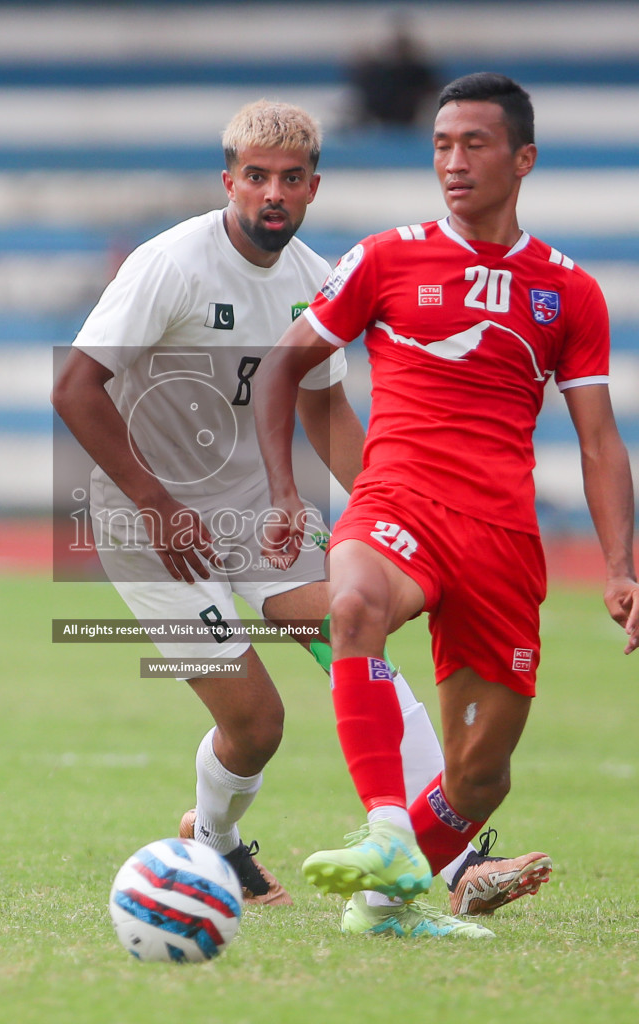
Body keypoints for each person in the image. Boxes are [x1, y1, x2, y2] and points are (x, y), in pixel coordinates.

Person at [52, 101, 488, 939]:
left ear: (314, 186)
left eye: (291, 179)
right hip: (152, 526)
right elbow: (73, 389)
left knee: (356, 623)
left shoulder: (315, 283)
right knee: (258, 725)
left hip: (260, 515)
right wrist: (154, 504)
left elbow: (326, 413)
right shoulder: (171, 265)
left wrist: (385, 506)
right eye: (256, 177)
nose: (272, 193)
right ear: (230, 181)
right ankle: (213, 841)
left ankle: (458, 860)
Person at [255, 73, 639, 923]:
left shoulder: (569, 291)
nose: (453, 161)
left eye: (474, 144)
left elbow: (599, 439)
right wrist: (284, 494)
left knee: (482, 773)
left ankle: (385, 898)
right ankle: (384, 828)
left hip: (502, 537)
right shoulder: (385, 258)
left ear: (524, 160)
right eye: (441, 145)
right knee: (355, 601)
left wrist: (622, 567)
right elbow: (284, 367)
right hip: (397, 500)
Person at [347, 15, 442, 129]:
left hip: (409, 124)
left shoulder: (419, 72)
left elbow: (434, 91)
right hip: (381, 123)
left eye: (402, 47)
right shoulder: (377, 73)